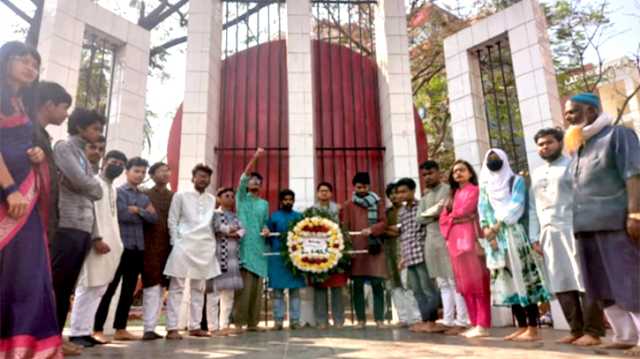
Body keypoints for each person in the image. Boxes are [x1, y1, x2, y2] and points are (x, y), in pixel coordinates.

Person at [0, 40, 63, 359]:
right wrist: (10, 190)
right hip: (9, 200)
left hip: (25, 201)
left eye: (35, 63)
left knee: (28, 274)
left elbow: (17, 142)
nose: (30, 67)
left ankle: (23, 349)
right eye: (23, 60)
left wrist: (36, 152)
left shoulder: (20, 102)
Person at [565, 93, 640, 355]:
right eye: (567, 113)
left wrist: (635, 214)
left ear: (592, 111)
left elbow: (634, 174)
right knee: (600, 283)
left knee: (629, 279)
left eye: (573, 111)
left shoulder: (618, 135)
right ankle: (626, 334)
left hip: (616, 222)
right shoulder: (580, 146)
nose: (568, 117)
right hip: (585, 226)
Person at [529, 127, 605, 346]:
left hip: (573, 228)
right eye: (541, 144)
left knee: (584, 279)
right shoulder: (536, 173)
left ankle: (593, 331)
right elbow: (534, 207)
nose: (545, 147)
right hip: (548, 233)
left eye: (549, 142)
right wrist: (535, 235)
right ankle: (575, 329)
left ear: (560, 143)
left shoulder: (572, 165)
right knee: (560, 280)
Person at [478, 149, 550, 342]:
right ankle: (521, 326)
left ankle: (533, 327)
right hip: (494, 239)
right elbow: (482, 209)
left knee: (523, 279)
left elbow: (516, 206)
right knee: (507, 281)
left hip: (513, 233)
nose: (493, 161)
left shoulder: (515, 180)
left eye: (496, 158)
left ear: (504, 159)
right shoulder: (485, 185)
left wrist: (496, 226)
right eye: (489, 159)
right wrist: (487, 230)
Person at [51, 108, 104, 351]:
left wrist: (89, 186)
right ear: (80, 127)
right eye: (95, 128)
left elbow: (93, 189)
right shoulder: (65, 148)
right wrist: (90, 186)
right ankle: (49, 339)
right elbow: (88, 185)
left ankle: (56, 337)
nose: (98, 133)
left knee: (67, 286)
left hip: (82, 227)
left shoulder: (83, 154)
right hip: (67, 224)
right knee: (58, 285)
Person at [93, 157, 157, 342]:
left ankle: (121, 329)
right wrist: (142, 212)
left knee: (129, 290)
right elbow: (121, 214)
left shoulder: (144, 197)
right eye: (136, 171)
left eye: (143, 172)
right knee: (110, 288)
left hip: (138, 248)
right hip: (119, 246)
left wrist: (138, 210)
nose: (140, 175)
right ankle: (97, 328)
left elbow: (154, 219)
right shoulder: (117, 192)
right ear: (127, 172)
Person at [68, 150, 127, 348]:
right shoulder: (93, 182)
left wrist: (117, 243)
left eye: (121, 163)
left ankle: (86, 331)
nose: (116, 165)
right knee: (87, 286)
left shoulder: (114, 189)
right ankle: (76, 333)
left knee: (99, 288)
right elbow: (90, 211)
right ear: (104, 162)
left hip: (112, 246)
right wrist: (96, 237)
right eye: (113, 161)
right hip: (97, 242)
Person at [164, 163, 220, 339]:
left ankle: (195, 326)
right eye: (200, 176)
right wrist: (176, 242)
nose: (203, 179)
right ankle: (172, 328)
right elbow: (172, 220)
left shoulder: (212, 200)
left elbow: (212, 224)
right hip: (183, 245)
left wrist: (211, 246)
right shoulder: (180, 196)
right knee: (177, 287)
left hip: (204, 247)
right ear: (193, 178)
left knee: (198, 288)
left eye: (206, 177)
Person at [440, 160, 491, 338]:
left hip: (471, 239)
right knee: (464, 285)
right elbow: (443, 219)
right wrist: (454, 217)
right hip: (454, 242)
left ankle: (483, 324)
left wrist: (453, 217)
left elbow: (464, 210)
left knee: (478, 284)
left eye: (462, 170)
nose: (458, 174)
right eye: (455, 172)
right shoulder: (452, 195)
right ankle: (474, 322)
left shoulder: (474, 191)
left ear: (470, 173)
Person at [417, 160, 469, 335]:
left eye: (430, 173)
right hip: (431, 241)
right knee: (442, 282)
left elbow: (443, 211)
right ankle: (447, 320)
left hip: (448, 238)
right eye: (424, 175)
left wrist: (431, 213)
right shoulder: (424, 197)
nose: (427, 177)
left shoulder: (448, 190)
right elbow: (420, 219)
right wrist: (432, 213)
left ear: (439, 173)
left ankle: (462, 320)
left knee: (454, 281)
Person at [396, 177, 444, 334]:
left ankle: (432, 321)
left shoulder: (421, 205)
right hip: (409, 256)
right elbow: (403, 235)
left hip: (422, 253)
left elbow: (425, 230)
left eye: (404, 191)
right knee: (416, 291)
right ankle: (425, 321)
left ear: (412, 191)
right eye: (399, 192)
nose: (401, 195)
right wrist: (403, 257)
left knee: (428, 289)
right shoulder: (401, 211)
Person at [341, 172, 387, 329]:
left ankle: (379, 319)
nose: (362, 189)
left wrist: (372, 229)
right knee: (358, 286)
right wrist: (348, 247)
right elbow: (345, 227)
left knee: (377, 284)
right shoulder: (348, 204)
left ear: (369, 186)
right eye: (359, 187)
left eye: (365, 186)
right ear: (354, 187)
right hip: (357, 249)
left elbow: (383, 222)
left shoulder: (378, 202)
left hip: (375, 248)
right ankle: (361, 320)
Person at [233, 148, 270, 331]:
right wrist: (255, 157)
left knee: (257, 289)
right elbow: (244, 176)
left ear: (261, 185)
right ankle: (239, 322)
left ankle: (252, 323)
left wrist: (266, 229)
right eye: (252, 180)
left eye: (258, 181)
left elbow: (265, 223)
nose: (254, 182)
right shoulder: (241, 198)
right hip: (245, 247)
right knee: (244, 288)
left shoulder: (264, 204)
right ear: (247, 184)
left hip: (259, 248)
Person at [32, 81, 71, 244]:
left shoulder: (43, 136)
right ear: (49, 105)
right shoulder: (28, 131)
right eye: (64, 107)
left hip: (42, 218)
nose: (67, 114)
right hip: (30, 215)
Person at [141, 162, 174, 340]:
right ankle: (148, 327)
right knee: (151, 285)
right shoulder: (144, 194)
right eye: (161, 171)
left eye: (167, 171)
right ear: (152, 175)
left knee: (163, 286)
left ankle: (155, 327)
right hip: (149, 245)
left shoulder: (174, 196)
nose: (165, 174)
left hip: (169, 246)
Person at [266, 189, 306, 330]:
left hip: (295, 259)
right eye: (285, 199)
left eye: (290, 199)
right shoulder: (274, 216)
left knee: (295, 291)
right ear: (281, 201)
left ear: (293, 201)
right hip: (277, 258)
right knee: (278, 292)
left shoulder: (299, 216)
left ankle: (295, 321)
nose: (288, 202)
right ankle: (278, 321)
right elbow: (268, 236)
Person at [207, 187, 245, 336]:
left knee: (228, 294)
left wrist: (232, 231)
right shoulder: (214, 214)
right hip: (215, 257)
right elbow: (216, 227)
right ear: (219, 198)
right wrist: (231, 230)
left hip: (231, 258)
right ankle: (213, 327)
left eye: (232, 196)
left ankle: (224, 325)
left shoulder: (235, 216)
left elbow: (242, 231)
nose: (230, 198)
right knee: (213, 294)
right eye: (226, 196)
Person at [311, 182, 347, 329]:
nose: (324, 193)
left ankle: (339, 320)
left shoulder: (338, 209)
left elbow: (344, 226)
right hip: (318, 251)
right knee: (320, 285)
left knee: (337, 285)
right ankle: (321, 320)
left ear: (331, 193)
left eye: (327, 191)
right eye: (321, 191)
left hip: (336, 250)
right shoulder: (311, 211)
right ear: (317, 194)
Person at [382, 182, 403, 325]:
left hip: (405, 249)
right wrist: (393, 229)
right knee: (394, 283)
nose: (394, 196)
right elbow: (383, 229)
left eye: (396, 193)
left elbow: (402, 230)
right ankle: (399, 317)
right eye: (391, 194)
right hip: (390, 250)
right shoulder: (387, 213)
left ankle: (414, 316)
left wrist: (392, 230)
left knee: (407, 283)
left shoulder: (408, 209)